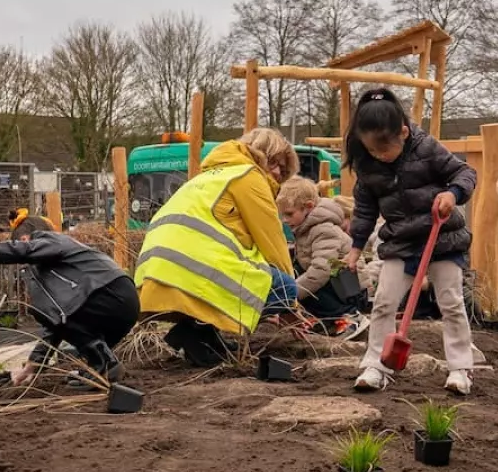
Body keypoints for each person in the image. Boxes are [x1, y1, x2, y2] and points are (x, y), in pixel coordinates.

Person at [342, 88, 478, 396]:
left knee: (451, 303)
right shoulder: (367, 165)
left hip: (442, 238)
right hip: (401, 243)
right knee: (384, 303)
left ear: (403, 132)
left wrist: (451, 194)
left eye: (384, 149)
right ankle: (376, 364)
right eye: (372, 150)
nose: (379, 155)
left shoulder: (427, 148)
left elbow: (465, 173)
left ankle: (460, 367)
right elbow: (364, 210)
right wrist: (354, 249)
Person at [134, 128, 298, 368]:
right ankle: (198, 330)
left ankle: (200, 335)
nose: (276, 172)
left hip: (156, 277)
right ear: (259, 153)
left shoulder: (208, 177)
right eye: (274, 163)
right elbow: (273, 245)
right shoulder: (248, 176)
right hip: (192, 276)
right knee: (284, 287)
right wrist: (291, 307)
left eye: (282, 171)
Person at [0, 216, 139, 382]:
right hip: (119, 300)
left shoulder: (48, 239)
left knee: (58, 316)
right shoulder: (60, 264)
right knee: (61, 319)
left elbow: (61, 319)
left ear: (25, 239)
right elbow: (57, 323)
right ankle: (100, 367)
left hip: (108, 294)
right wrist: (34, 363)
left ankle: (107, 366)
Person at [276, 177, 369, 337]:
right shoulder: (305, 229)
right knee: (298, 274)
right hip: (340, 287)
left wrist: (291, 293)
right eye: (282, 215)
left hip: (351, 291)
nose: (285, 220)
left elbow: (321, 270)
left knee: (309, 283)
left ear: (309, 207)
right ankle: (329, 319)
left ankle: (350, 316)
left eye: (290, 214)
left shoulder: (323, 230)